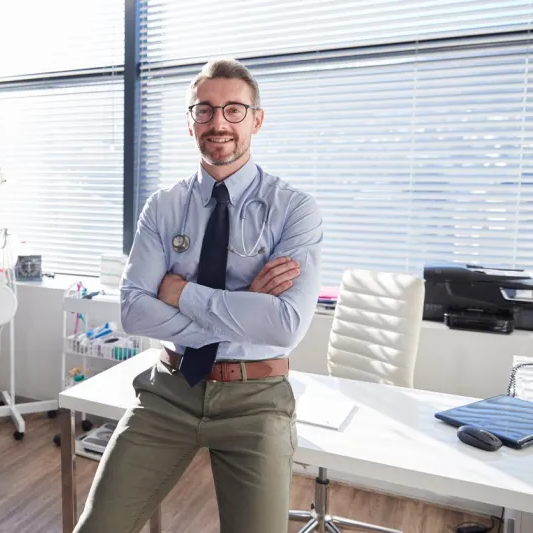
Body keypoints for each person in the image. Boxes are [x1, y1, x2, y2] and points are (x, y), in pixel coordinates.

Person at [73, 58, 323, 533]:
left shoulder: (294, 210)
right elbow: (133, 311)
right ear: (190, 123)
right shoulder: (163, 206)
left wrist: (179, 291)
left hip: (257, 400)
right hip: (169, 389)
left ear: (257, 119)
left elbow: (284, 324)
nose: (219, 123)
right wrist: (244, 303)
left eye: (234, 110)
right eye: (205, 111)